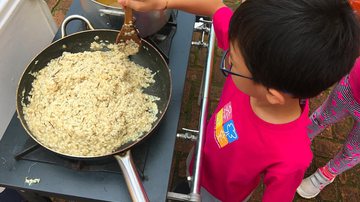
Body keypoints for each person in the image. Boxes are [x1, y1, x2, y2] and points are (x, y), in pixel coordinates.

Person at [118, 0, 360, 201]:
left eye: (231, 61)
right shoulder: (257, 53)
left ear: (272, 94)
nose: (228, 61)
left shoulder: (292, 156)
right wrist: (163, 2)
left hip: (222, 195)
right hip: (203, 154)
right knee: (189, 178)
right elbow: (215, 7)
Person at [296, 57, 360, 199]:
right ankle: (298, 142)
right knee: (320, 118)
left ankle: (326, 174)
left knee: (353, 150)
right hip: (351, 86)